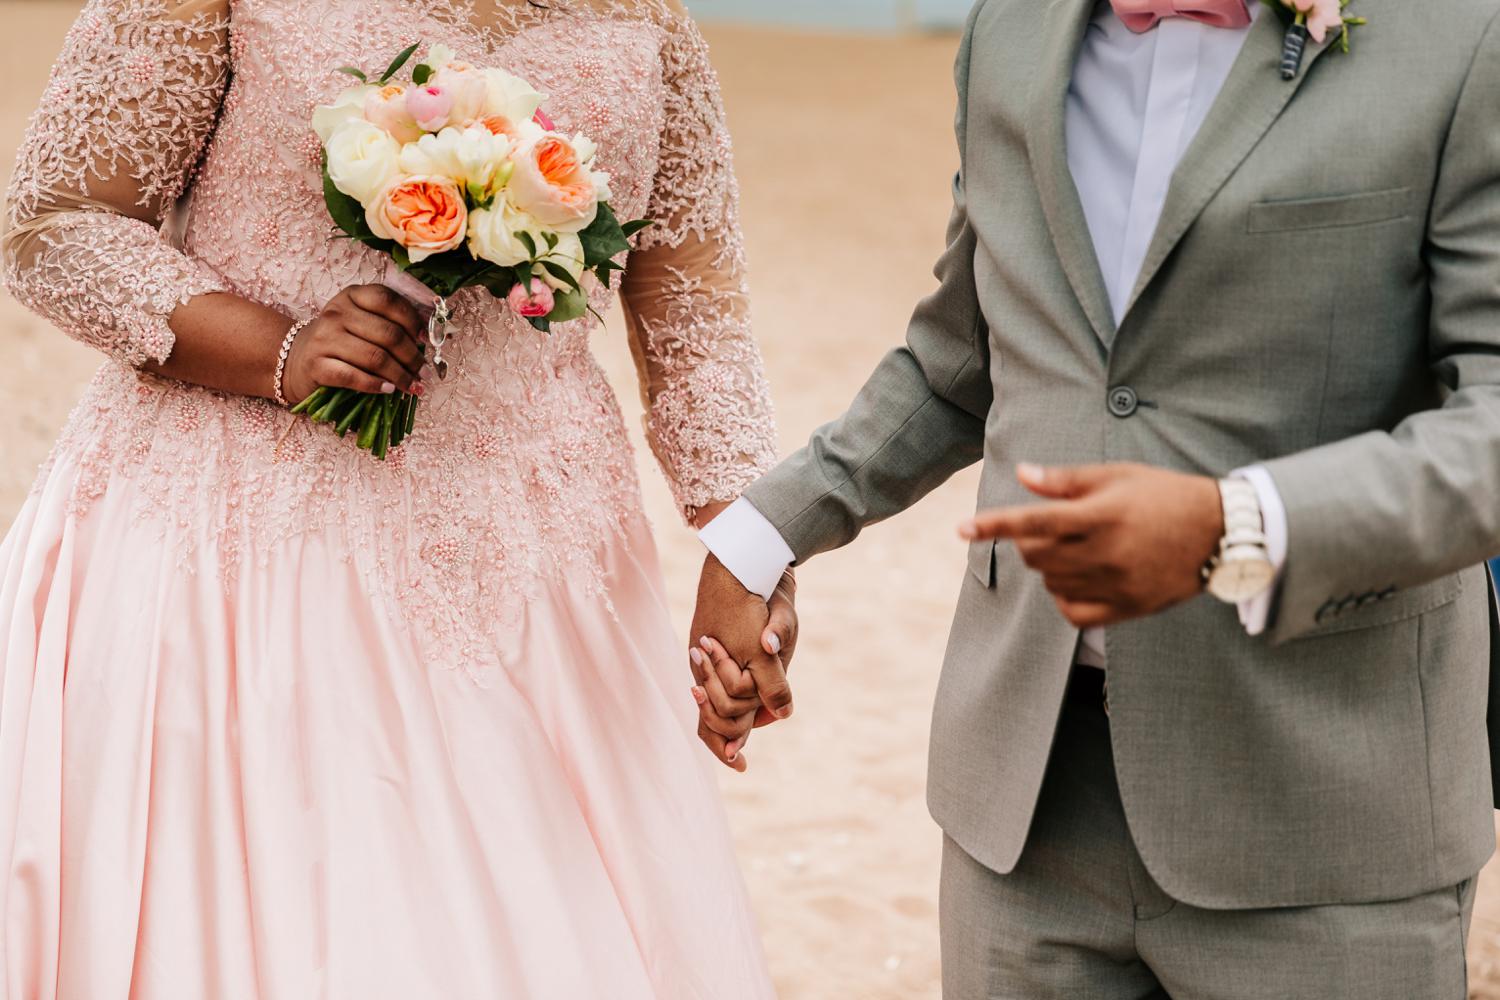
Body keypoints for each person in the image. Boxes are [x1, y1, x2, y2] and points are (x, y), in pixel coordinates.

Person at [690, 0, 1500, 995]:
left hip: (1323, 813)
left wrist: (1235, 527)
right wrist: (765, 535)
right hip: (1023, 820)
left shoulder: (1462, 34)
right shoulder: (1008, 32)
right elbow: (962, 360)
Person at [0, 0, 785, 995]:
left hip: (538, 571)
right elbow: (55, 225)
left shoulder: (649, 19)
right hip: (243, 554)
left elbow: (696, 314)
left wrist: (755, 549)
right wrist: (279, 349)